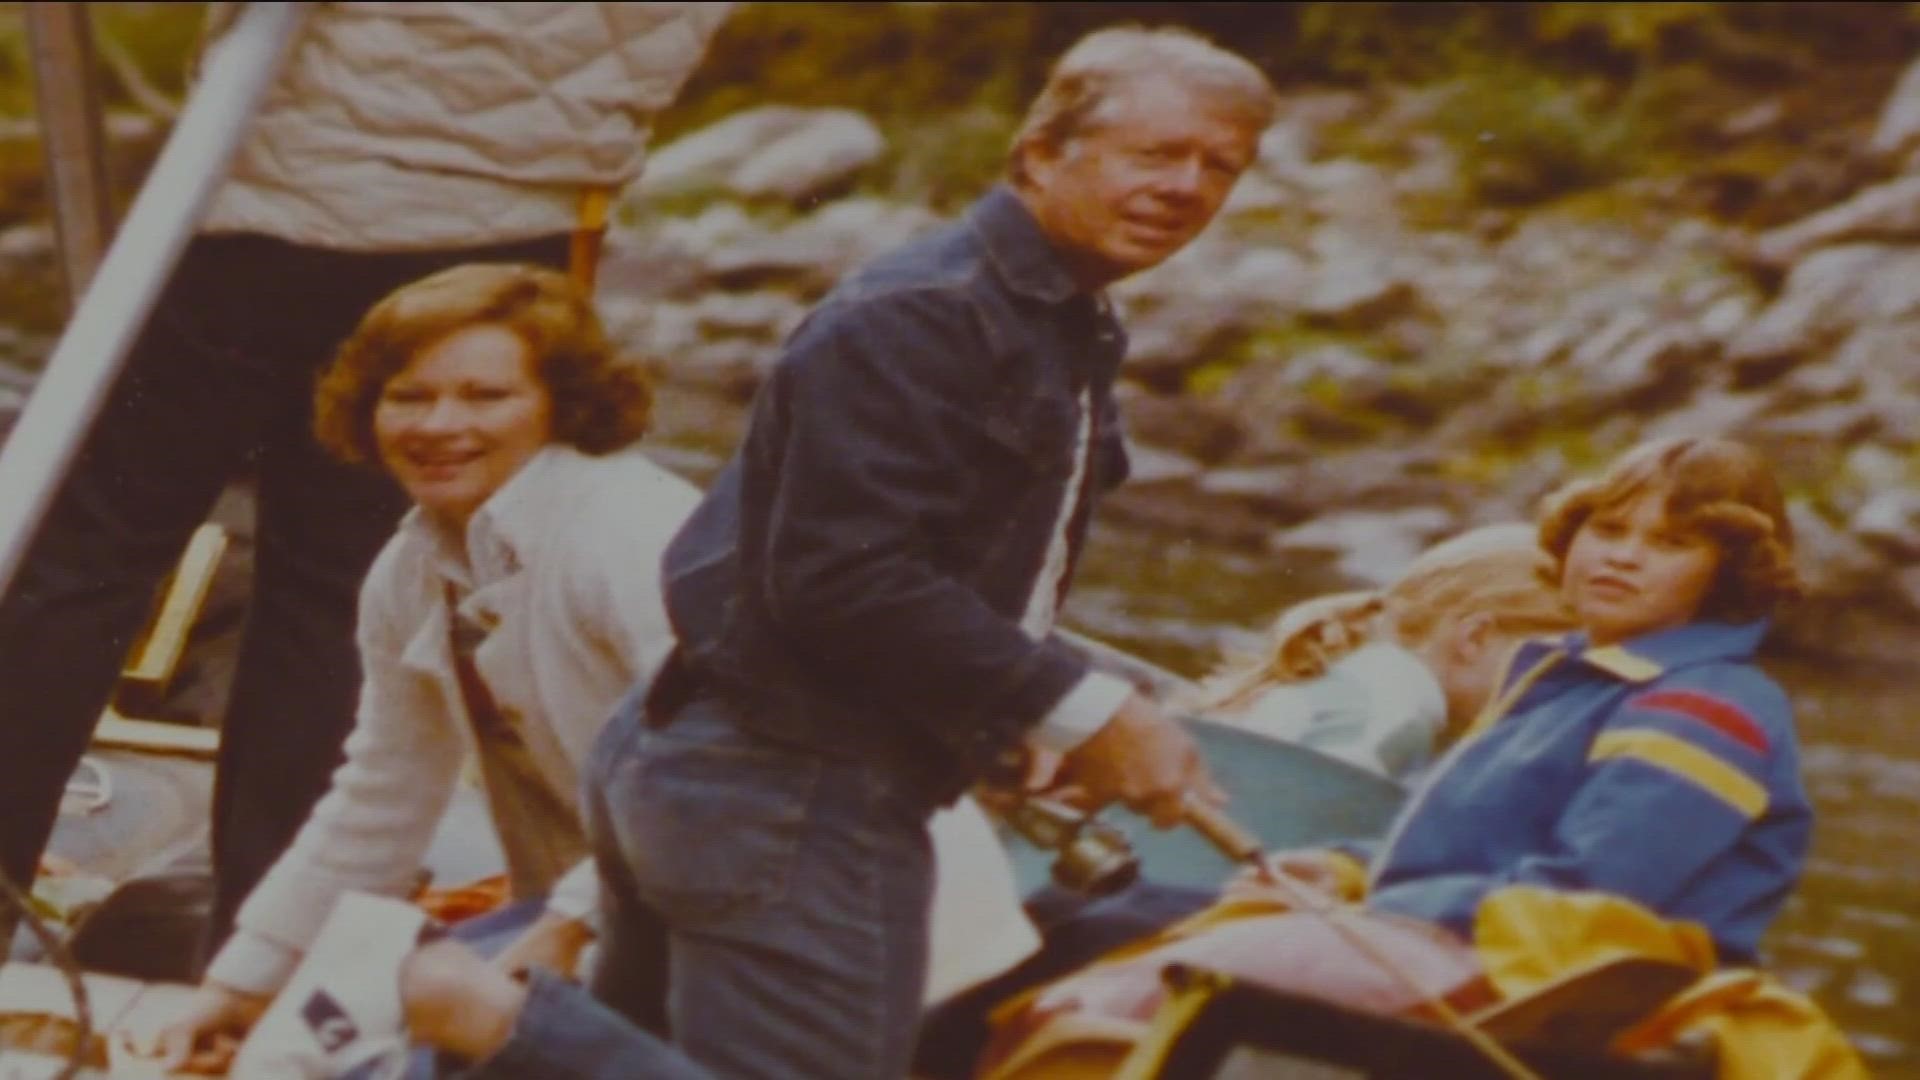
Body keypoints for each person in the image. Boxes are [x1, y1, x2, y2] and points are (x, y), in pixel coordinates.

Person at [125, 263, 1042, 1080]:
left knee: (431, 1024)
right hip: (650, 914)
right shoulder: (411, 571)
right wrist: (241, 986)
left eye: (485, 397)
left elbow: (716, 784)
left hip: (838, 934)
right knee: (327, 1024)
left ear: (561, 407)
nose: (440, 424)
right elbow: (378, 800)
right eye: (408, 396)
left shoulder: (629, 537)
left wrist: (553, 941)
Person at [577, 24, 1279, 1079]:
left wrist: (1001, 721)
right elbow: (839, 577)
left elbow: (927, 569)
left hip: (728, 768)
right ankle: (487, 1020)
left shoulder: (1060, 317)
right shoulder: (924, 315)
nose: (1187, 186)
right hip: (786, 786)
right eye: (1155, 153)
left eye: (1218, 165)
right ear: (1041, 153)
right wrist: (1085, 707)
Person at [0, 1, 731, 952]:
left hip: (286, 210)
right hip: (507, 237)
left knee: (80, 553)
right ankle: (263, 949)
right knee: (339, 598)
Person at [975, 435, 1815, 1077]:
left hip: (1543, 978)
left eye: (1669, 543)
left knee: (1123, 991)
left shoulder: (1705, 704)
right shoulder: (1574, 681)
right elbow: (1470, 851)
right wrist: (1346, 873)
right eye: (1610, 527)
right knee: (1086, 938)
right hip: (1459, 939)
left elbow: (1591, 897)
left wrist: (1385, 899)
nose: (1623, 554)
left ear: (1727, 574)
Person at [1185, 523, 1580, 784]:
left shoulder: (1363, 670)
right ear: (1474, 638)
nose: (1564, 701)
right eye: (1557, 671)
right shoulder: (1399, 710)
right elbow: (1306, 825)